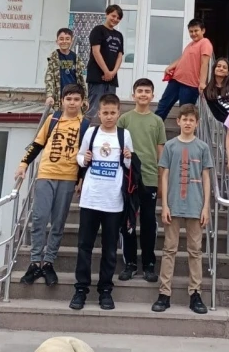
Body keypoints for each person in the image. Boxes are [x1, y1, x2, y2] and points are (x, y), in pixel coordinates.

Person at [15, 84, 87, 286]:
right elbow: (37, 144)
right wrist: (23, 164)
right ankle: (34, 262)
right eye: (68, 99)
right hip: (46, 174)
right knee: (39, 218)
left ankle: (48, 262)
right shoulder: (52, 119)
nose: (72, 103)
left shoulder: (85, 125)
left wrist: (81, 179)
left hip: (68, 177)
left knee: (58, 221)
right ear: (62, 101)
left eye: (76, 99)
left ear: (82, 102)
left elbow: (85, 155)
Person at [70, 94, 133, 311]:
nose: (109, 116)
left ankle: (105, 290)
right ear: (99, 113)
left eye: (112, 113)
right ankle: (81, 289)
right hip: (91, 198)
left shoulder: (124, 135)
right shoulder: (91, 132)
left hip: (113, 201)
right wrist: (84, 159)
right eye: (105, 113)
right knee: (84, 246)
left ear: (119, 114)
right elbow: (79, 156)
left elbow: (129, 165)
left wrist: (128, 156)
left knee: (109, 248)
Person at [151, 104, 213, 315]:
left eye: (191, 120)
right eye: (184, 119)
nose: (187, 123)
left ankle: (195, 293)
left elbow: (206, 177)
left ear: (197, 123)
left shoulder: (203, 147)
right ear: (178, 121)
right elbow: (165, 175)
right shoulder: (170, 146)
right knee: (169, 249)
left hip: (196, 206)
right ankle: (164, 293)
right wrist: (165, 205)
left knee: (195, 251)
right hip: (174, 205)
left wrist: (206, 207)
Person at [117, 78, 167, 283]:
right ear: (133, 95)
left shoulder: (157, 121)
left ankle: (148, 264)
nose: (143, 94)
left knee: (148, 223)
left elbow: (161, 153)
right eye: (140, 91)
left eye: (147, 91)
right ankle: (130, 263)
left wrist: (161, 180)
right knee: (127, 222)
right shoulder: (124, 119)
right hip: (128, 178)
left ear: (153, 96)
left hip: (149, 177)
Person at [155, 19, 213, 121]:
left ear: (203, 30)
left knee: (185, 113)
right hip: (176, 80)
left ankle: (185, 132)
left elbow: (204, 64)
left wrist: (202, 83)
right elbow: (183, 58)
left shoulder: (205, 43)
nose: (193, 34)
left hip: (190, 85)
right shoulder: (190, 44)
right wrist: (170, 66)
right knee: (163, 106)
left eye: (196, 31)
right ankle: (154, 129)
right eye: (191, 31)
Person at [86, 5, 124, 120]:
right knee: (93, 108)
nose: (115, 19)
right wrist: (106, 71)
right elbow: (96, 51)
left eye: (118, 18)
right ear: (107, 14)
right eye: (113, 16)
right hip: (97, 76)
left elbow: (120, 56)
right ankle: (86, 130)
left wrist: (112, 72)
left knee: (110, 108)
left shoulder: (119, 35)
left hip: (111, 79)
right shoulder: (98, 30)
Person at [44, 28, 87, 110]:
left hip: (74, 95)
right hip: (60, 96)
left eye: (67, 39)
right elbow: (49, 78)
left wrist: (84, 98)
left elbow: (81, 79)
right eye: (61, 39)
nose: (64, 41)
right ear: (57, 41)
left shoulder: (76, 58)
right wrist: (49, 96)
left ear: (71, 41)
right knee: (60, 116)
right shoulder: (53, 57)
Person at [203, 57, 229, 123]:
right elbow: (216, 112)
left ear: (227, 73)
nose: (221, 68)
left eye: (224, 67)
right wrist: (228, 121)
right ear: (214, 69)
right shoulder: (207, 90)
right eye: (218, 66)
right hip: (224, 123)